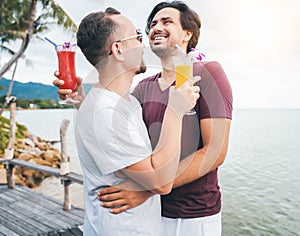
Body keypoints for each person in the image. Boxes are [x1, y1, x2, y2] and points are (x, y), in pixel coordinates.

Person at [54, 1, 232, 235]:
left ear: (188, 33)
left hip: (192, 215)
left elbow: (215, 151)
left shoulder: (207, 73)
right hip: (151, 214)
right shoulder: (141, 90)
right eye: (151, 24)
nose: (155, 27)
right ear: (118, 50)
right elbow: (114, 127)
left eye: (167, 21)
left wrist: (145, 189)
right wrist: (85, 101)